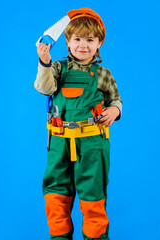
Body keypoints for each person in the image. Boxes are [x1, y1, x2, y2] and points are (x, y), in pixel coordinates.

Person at [34, 7, 122, 240]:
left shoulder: (103, 74)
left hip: (92, 145)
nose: (83, 45)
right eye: (77, 39)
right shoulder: (58, 69)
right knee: (56, 196)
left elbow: (115, 99)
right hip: (59, 143)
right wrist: (44, 62)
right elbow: (45, 88)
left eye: (90, 40)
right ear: (67, 41)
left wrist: (115, 110)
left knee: (93, 198)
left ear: (99, 42)